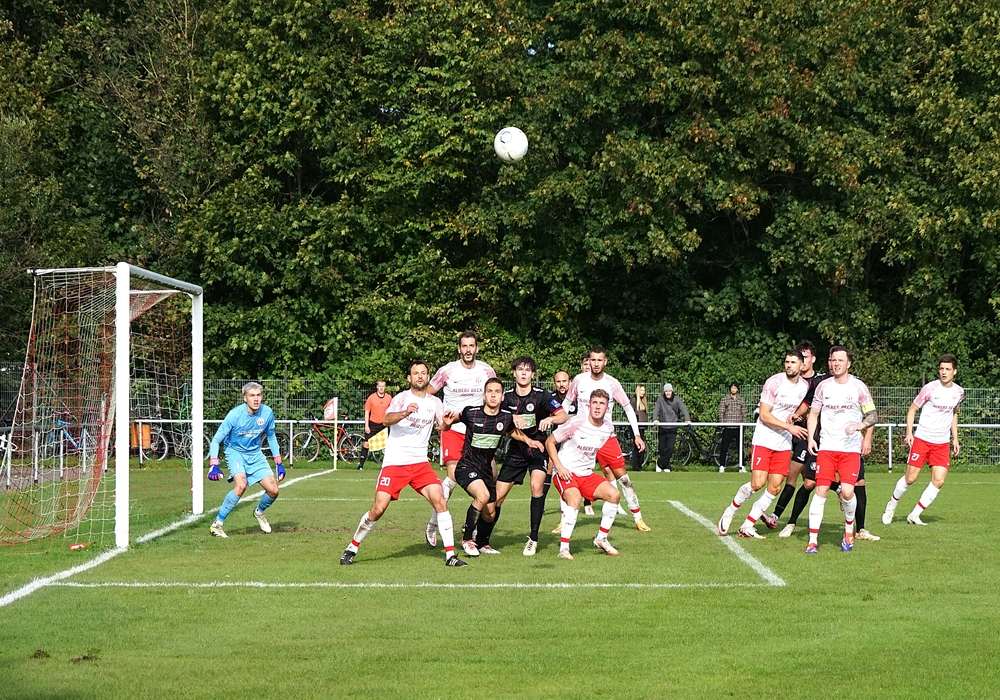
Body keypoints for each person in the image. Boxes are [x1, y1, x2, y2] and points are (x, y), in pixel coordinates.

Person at [340, 361, 467, 567]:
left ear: (428, 377)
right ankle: (352, 548)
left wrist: (447, 422)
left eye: (423, 373)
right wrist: (405, 413)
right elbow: (386, 420)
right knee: (378, 509)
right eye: (416, 373)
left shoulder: (435, 402)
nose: (420, 376)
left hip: (420, 464)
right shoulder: (401, 398)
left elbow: (443, 426)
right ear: (409, 378)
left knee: (440, 501)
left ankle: (450, 556)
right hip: (395, 463)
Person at [445, 376, 545, 556]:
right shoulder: (470, 413)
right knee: (482, 496)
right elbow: (450, 422)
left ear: (502, 397)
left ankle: (482, 543)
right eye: (489, 392)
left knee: (490, 514)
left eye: (497, 392)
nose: (493, 395)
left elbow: (512, 431)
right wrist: (445, 424)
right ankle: (467, 539)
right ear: (484, 395)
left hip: (485, 471)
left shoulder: (506, 417)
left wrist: (529, 440)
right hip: (467, 466)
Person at [717, 351, 809, 538]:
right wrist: (789, 427)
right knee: (757, 483)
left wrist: (797, 415)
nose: (789, 365)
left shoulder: (804, 386)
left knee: (775, 487)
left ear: (802, 365)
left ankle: (748, 525)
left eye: (793, 362)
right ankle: (730, 510)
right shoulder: (774, 382)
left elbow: (804, 406)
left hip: (783, 443)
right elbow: (765, 415)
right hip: (764, 439)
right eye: (787, 362)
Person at [562, 347, 650, 531]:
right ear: (589, 361)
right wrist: (563, 426)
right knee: (568, 476)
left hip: (605, 437)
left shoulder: (612, 383)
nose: (596, 364)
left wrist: (636, 434)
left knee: (623, 478)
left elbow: (627, 408)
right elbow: (567, 403)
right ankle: (564, 521)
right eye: (593, 360)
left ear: (605, 361)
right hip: (580, 438)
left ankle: (638, 518)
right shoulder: (579, 380)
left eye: (599, 360)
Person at [424, 331, 497, 547]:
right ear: (459, 349)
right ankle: (433, 523)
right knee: (454, 476)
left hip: (478, 433)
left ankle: (473, 528)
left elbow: (494, 395)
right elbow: (428, 394)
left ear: (477, 348)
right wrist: (440, 418)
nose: (468, 350)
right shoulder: (447, 371)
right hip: (453, 430)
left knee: (490, 479)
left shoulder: (486, 370)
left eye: (471, 346)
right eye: (464, 346)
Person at [803, 346, 878, 554]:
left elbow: (872, 415)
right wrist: (811, 438)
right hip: (827, 447)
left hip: (850, 449)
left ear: (848, 364)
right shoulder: (823, 387)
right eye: (832, 360)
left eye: (840, 360)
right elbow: (813, 414)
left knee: (847, 492)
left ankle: (848, 530)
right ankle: (812, 541)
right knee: (821, 490)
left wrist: (860, 426)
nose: (835, 364)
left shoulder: (858, 387)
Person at [495, 356, 568, 555]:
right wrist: (510, 417)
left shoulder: (541, 395)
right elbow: (497, 419)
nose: (524, 373)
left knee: (537, 486)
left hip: (538, 450)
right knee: (497, 498)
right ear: (514, 373)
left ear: (532, 374)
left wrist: (550, 419)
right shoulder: (506, 397)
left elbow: (563, 416)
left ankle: (533, 538)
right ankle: (481, 537)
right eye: (520, 369)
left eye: (528, 370)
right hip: (516, 451)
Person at [882, 354, 963, 527]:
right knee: (910, 478)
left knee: (939, 480)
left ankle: (915, 514)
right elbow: (912, 409)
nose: (944, 372)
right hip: (923, 439)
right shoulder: (929, 389)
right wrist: (909, 433)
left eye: (947, 369)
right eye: (941, 369)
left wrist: (955, 438)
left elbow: (954, 414)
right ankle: (891, 505)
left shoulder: (959, 392)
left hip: (942, 443)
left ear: (954, 371)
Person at [546, 389, 625, 559]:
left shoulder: (608, 428)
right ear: (589, 405)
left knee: (614, 495)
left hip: (586, 474)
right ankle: (564, 549)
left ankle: (601, 538)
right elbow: (550, 442)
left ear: (607, 408)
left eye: (601, 404)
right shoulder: (576, 423)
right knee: (575, 499)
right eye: (594, 403)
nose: (597, 407)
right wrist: (559, 467)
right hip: (566, 472)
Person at [207, 382, 285, 538]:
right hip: (235, 452)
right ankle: (217, 525)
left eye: (258, 395)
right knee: (241, 485)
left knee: (274, 490)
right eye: (252, 395)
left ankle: (259, 512)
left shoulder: (267, 413)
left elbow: (271, 436)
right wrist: (214, 465)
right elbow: (216, 440)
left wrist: (279, 462)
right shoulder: (235, 415)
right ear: (245, 398)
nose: (256, 399)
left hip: (255, 454)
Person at [767, 340, 824, 537]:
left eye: (805, 357)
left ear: (812, 359)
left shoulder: (820, 382)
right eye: (799, 357)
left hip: (812, 436)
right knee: (798, 479)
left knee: (808, 482)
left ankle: (785, 520)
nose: (802, 361)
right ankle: (777, 517)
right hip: (793, 435)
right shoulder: (790, 382)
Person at [653, 383, 691, 473]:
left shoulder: (677, 399)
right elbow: (656, 410)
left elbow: (683, 409)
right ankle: (666, 466)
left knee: (670, 448)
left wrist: (687, 419)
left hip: (673, 427)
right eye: (666, 391)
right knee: (662, 448)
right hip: (662, 426)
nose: (668, 393)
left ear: (672, 391)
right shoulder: (660, 400)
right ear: (664, 392)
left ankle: (659, 463)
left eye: (669, 391)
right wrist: (655, 419)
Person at [357, 380, 392, 470]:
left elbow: (391, 411)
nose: (381, 388)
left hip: (384, 424)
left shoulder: (389, 398)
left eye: (383, 386)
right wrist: (366, 425)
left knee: (389, 445)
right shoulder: (371, 398)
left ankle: (388, 466)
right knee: (366, 444)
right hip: (373, 424)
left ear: (385, 387)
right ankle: (360, 465)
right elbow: (367, 412)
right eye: (380, 386)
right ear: (377, 387)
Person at [717, 382, 746, 472]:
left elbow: (744, 413)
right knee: (724, 447)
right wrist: (722, 424)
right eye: (732, 388)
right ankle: (722, 465)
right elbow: (721, 412)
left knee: (740, 447)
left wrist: (744, 424)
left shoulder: (741, 400)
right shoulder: (725, 399)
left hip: (738, 427)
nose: (733, 389)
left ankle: (742, 465)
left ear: (737, 389)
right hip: (727, 427)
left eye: (735, 388)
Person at [629, 385, 649, 471]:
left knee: (641, 447)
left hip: (642, 427)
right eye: (641, 390)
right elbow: (628, 412)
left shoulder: (643, 401)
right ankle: (636, 467)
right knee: (637, 447)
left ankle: (639, 466)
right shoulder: (633, 400)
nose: (643, 392)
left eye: (644, 390)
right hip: (636, 427)